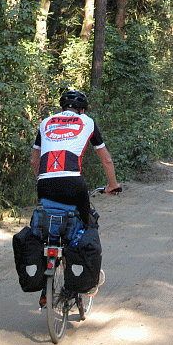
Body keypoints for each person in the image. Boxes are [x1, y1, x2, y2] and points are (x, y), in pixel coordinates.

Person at [31, 90, 120, 301]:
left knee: (45, 227)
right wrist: (113, 185)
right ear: (82, 110)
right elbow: (106, 160)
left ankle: (45, 287)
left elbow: (35, 161)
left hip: (44, 183)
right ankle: (89, 278)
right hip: (73, 182)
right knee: (87, 224)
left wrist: (42, 181)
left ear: (61, 109)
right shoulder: (87, 122)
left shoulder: (46, 123)